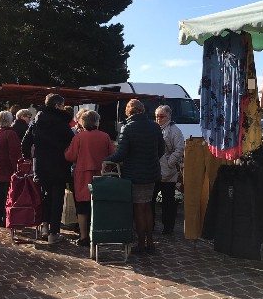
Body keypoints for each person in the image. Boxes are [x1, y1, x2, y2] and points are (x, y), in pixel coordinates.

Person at [105, 99, 164, 254]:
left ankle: (141, 244)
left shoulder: (128, 128)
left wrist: (107, 160)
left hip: (135, 174)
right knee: (148, 207)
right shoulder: (155, 126)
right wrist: (150, 159)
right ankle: (150, 241)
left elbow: (122, 153)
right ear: (142, 110)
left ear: (129, 112)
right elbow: (161, 150)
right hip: (151, 172)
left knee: (139, 208)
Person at [22, 94, 74, 244]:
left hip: (41, 163)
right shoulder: (62, 122)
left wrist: (28, 158)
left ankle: (44, 227)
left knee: (45, 195)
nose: (64, 108)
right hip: (58, 163)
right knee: (57, 198)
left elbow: (25, 143)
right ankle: (54, 233)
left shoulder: (36, 120)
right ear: (57, 106)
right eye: (63, 105)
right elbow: (72, 141)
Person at [64, 110, 114, 246]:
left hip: (82, 174)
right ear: (97, 122)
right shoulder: (105, 136)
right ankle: (98, 234)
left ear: (83, 122)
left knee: (82, 206)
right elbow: (112, 154)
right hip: (101, 174)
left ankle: (84, 236)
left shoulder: (78, 138)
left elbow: (70, 156)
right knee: (98, 205)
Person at [151, 105, 185, 235]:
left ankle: (168, 227)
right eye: (157, 116)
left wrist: (169, 163)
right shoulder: (153, 129)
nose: (158, 119)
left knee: (168, 202)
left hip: (168, 173)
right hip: (154, 171)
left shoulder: (174, 130)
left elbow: (180, 148)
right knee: (151, 200)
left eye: (162, 116)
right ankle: (151, 224)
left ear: (169, 116)